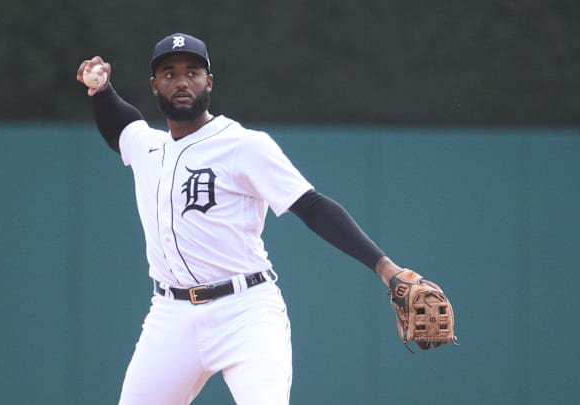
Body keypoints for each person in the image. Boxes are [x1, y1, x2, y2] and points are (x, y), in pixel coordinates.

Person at [76, 33, 443, 405]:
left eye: (193, 71)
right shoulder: (149, 147)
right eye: (169, 74)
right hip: (170, 316)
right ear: (155, 85)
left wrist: (386, 268)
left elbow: (313, 206)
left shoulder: (243, 145)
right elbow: (120, 127)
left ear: (209, 82)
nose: (182, 81)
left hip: (245, 311)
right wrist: (102, 90)